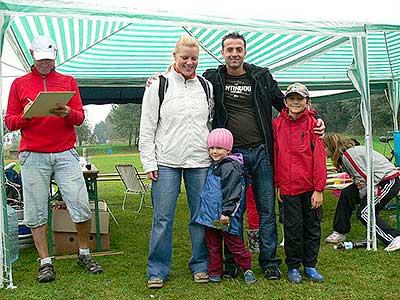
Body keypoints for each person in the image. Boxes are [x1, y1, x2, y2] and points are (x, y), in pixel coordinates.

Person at [202, 32, 325, 279]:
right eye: (229, 50)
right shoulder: (212, 78)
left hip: (261, 152)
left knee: (266, 209)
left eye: (239, 49)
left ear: (245, 52)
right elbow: (188, 82)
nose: (234, 54)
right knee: (232, 209)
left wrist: (316, 120)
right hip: (231, 156)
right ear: (222, 53)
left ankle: (270, 262)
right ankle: (233, 261)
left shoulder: (260, 76)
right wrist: (158, 77)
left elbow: (285, 104)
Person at [5, 35, 103, 283]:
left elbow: (79, 117)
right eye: (40, 60)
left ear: (55, 56)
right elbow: (9, 122)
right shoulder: (19, 84)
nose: (45, 64)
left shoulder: (68, 81)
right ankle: (45, 261)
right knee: (36, 210)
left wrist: (69, 112)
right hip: (32, 153)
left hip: (64, 152)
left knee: (80, 204)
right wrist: (26, 116)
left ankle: (83, 252)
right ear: (31, 55)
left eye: (49, 60)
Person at [139, 35, 214, 288]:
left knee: (201, 216)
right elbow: (147, 127)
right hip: (166, 162)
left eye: (194, 58)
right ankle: (157, 269)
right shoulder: (158, 84)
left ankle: (201, 265)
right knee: (162, 218)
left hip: (200, 161)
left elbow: (210, 123)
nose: (189, 62)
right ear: (174, 57)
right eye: (185, 58)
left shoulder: (206, 86)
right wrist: (149, 162)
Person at [273, 83, 326, 283]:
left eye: (300, 99)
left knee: (312, 227)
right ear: (285, 102)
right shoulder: (277, 124)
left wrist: (319, 189)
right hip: (287, 187)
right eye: (292, 99)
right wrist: (278, 184)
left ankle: (310, 265)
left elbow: (319, 157)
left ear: (307, 102)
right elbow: (276, 155)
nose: (296, 102)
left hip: (310, 187)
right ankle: (293, 266)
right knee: (292, 228)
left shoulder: (314, 125)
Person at [195, 128, 256, 284]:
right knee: (213, 245)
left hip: (224, 217)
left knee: (235, 244)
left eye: (219, 148)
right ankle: (215, 271)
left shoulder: (230, 167)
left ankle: (246, 268)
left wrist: (226, 213)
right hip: (210, 216)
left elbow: (233, 192)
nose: (214, 151)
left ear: (228, 149)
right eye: (212, 148)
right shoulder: (214, 165)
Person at [324, 134, 400, 251]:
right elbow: (359, 180)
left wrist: (367, 199)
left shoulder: (348, 156)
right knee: (347, 193)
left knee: (365, 212)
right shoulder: (345, 156)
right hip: (377, 181)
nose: (322, 151)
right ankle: (340, 231)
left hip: (387, 181)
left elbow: (367, 180)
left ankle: (393, 238)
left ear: (331, 147)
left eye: (324, 148)